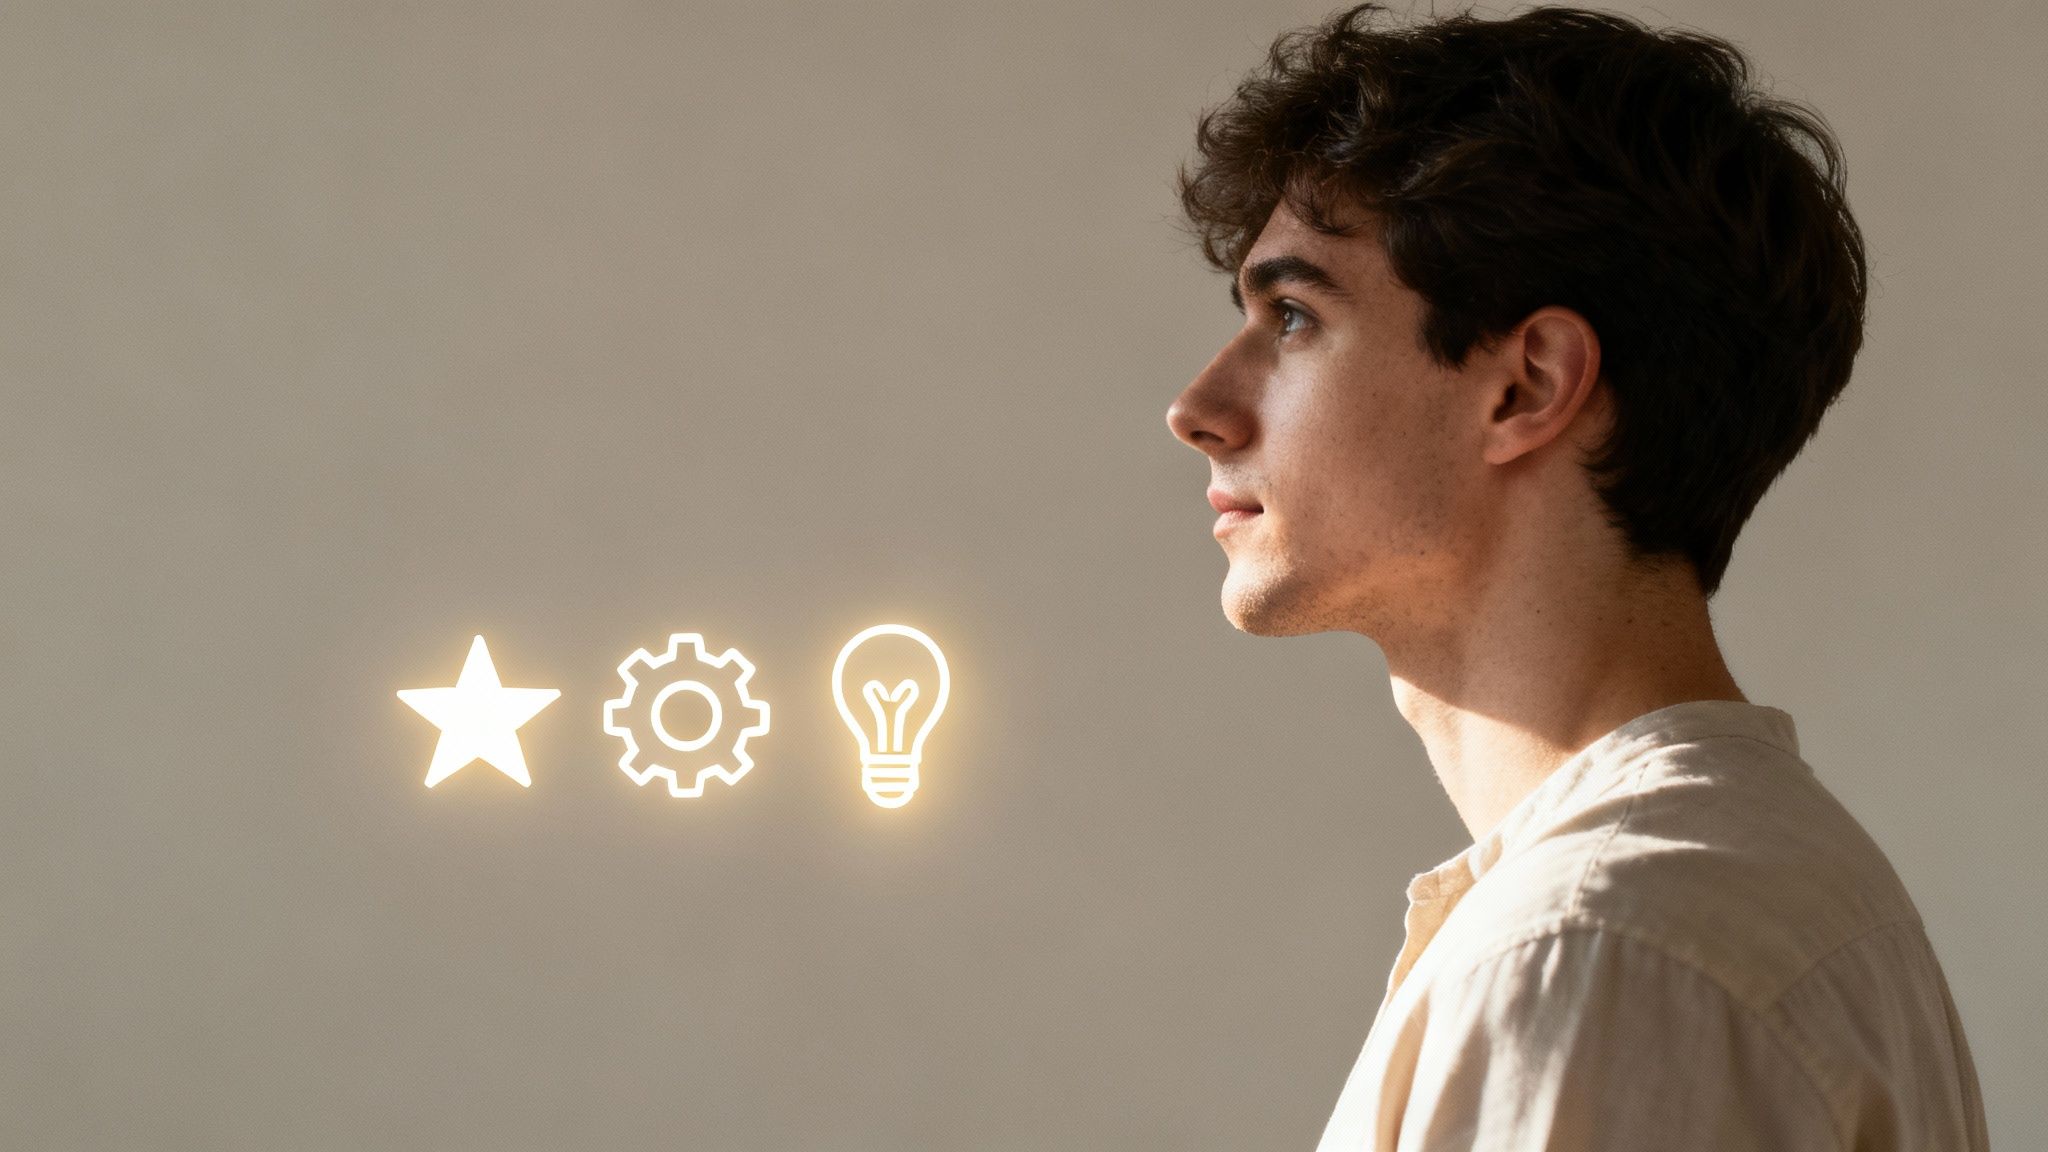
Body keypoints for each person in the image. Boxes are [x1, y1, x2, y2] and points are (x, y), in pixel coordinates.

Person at [1163, 4, 1989, 1149]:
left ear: (1527, 385)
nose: (1197, 409)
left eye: (1293, 315)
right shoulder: (1739, 895)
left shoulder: (1597, 952)